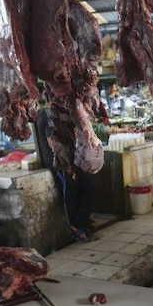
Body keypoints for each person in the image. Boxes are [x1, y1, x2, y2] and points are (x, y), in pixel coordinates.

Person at [34, 100, 98, 242]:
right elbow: (53, 143)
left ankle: (80, 222)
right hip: (58, 161)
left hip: (69, 157)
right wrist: (67, 164)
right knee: (69, 192)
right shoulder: (49, 114)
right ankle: (74, 228)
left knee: (88, 186)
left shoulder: (60, 113)